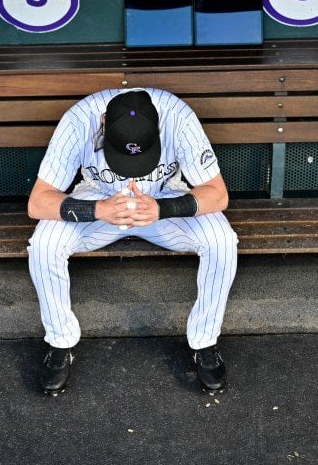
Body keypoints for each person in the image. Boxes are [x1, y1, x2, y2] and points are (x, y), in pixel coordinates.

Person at [26, 87, 239, 393]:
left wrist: (163, 209)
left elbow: (217, 194)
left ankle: (204, 342)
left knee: (221, 239)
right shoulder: (79, 120)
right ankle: (60, 343)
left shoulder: (177, 116)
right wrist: (97, 209)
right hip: (100, 200)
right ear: (102, 126)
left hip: (163, 199)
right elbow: (37, 203)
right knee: (45, 244)